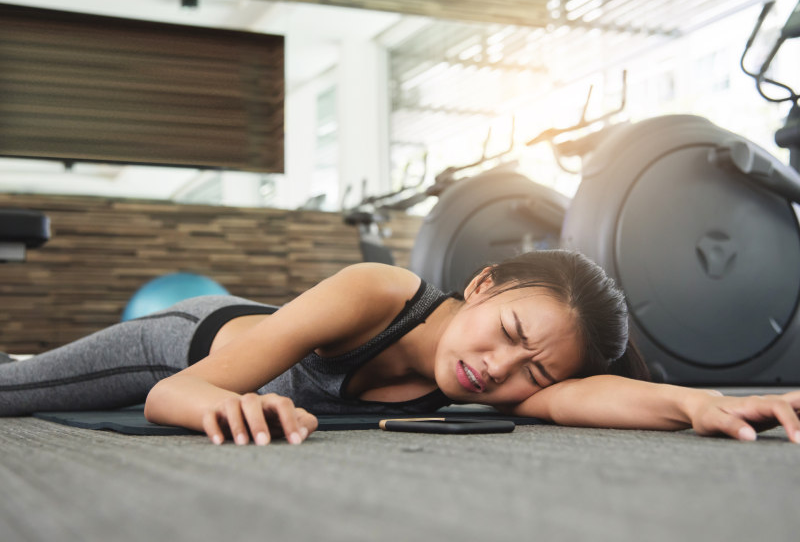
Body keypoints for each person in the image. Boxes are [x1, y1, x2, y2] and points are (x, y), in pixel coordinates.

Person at [1, 250, 799, 446]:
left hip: (211, 363)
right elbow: (170, 398)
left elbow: (586, 397)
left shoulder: (496, 380)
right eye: (512, 333)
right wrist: (233, 399)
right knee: (15, 394)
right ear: (484, 285)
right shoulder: (379, 291)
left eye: (537, 371)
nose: (499, 368)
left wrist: (704, 402)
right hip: (181, 347)